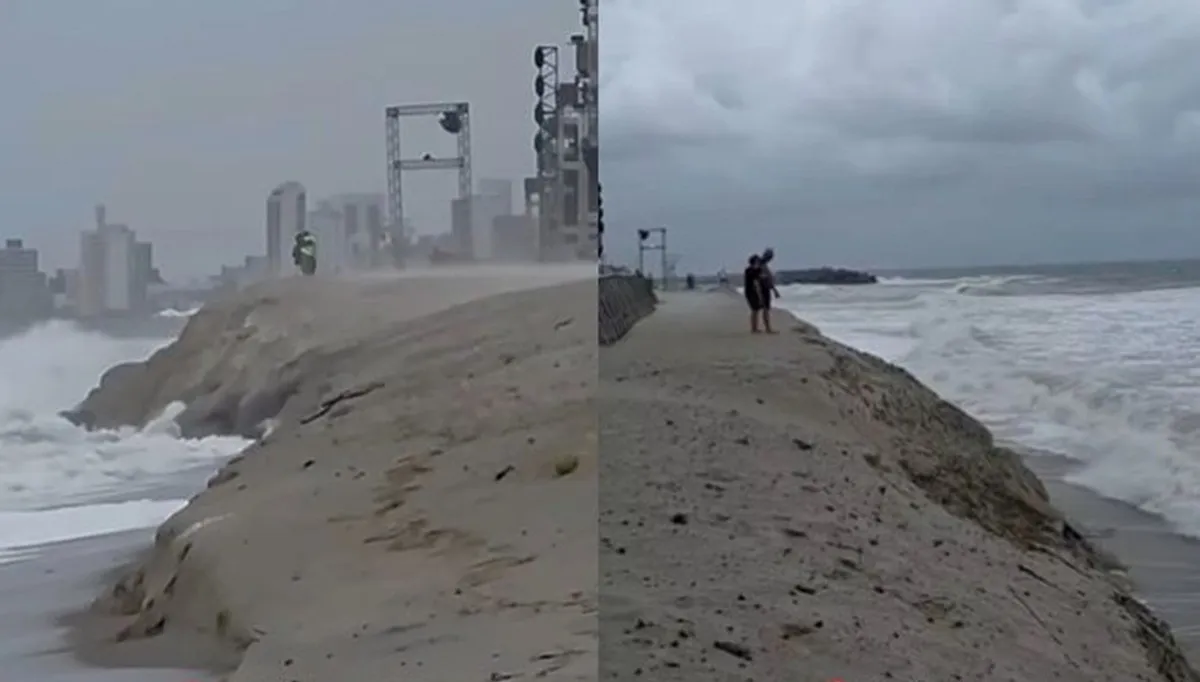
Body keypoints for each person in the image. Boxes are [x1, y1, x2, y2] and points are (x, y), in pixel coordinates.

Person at [743, 255, 774, 334]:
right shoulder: (749, 270)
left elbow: (764, 278)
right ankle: (755, 329)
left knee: (763, 309)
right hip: (752, 292)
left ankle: (765, 328)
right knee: (755, 310)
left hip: (761, 291)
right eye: (757, 261)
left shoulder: (760, 269)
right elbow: (756, 281)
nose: (758, 263)